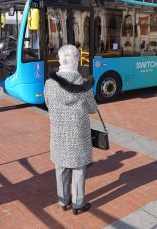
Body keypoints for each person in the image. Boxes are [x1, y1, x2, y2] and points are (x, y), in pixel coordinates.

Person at [44, 45, 98, 215]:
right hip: (78, 133)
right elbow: (92, 108)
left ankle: (62, 201)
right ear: (76, 61)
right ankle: (78, 204)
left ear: (60, 60)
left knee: (60, 168)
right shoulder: (83, 83)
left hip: (59, 132)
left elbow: (47, 104)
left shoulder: (50, 83)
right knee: (79, 169)